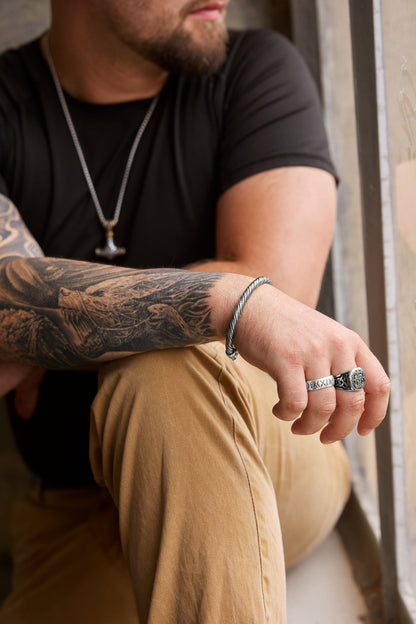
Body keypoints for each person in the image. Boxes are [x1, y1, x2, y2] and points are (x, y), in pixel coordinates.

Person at [0, 1, 389, 622]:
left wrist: (56, 320)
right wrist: (223, 297)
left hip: (270, 443)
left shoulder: (257, 72)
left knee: (162, 372)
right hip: (75, 507)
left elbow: (278, 292)